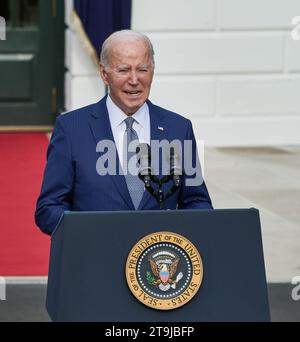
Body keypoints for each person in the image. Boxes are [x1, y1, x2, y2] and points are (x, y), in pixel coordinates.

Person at [35, 30, 213, 235]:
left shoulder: (178, 129)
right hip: (95, 258)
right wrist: (88, 233)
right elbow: (48, 209)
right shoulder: (71, 129)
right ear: (104, 74)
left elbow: (197, 202)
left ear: (153, 71)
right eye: (123, 70)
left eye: (143, 69)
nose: (134, 80)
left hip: (157, 261)